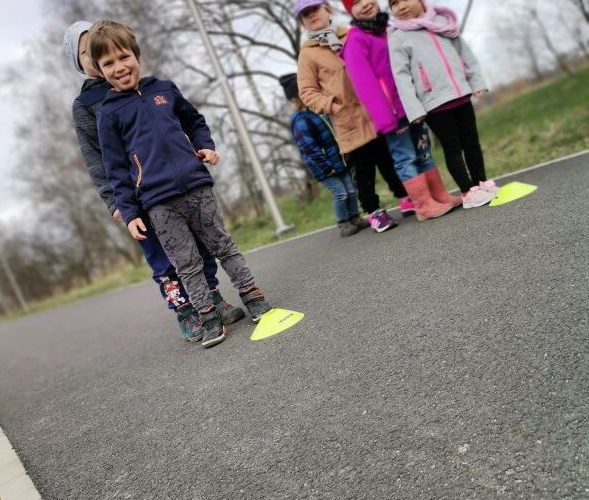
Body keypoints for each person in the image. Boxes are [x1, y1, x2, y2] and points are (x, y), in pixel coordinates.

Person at [88, 20, 272, 348]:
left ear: (137, 54)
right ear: (100, 71)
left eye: (123, 57)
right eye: (109, 63)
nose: (119, 67)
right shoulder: (109, 115)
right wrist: (130, 214)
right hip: (158, 203)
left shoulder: (164, 89)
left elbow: (194, 120)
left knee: (223, 245)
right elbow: (115, 169)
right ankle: (207, 316)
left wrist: (207, 145)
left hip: (197, 186)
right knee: (185, 262)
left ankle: (252, 296)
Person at [294, 0, 415, 233]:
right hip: (347, 119)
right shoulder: (307, 54)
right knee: (363, 171)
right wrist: (331, 105)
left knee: (389, 160)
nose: (311, 16)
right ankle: (374, 212)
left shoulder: (352, 35)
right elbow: (307, 92)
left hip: (375, 112)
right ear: (302, 22)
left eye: (314, 10)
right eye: (305, 15)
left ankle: (405, 197)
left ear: (327, 9)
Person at [340, 0, 459, 221]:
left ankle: (439, 195)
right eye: (355, 3)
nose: (364, 4)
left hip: (412, 105)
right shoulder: (355, 40)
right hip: (392, 114)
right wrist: (385, 118)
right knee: (405, 158)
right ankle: (423, 205)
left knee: (424, 152)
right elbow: (365, 85)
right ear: (350, 10)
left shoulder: (390, 28)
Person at [388, 0, 498, 209]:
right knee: (453, 147)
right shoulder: (397, 36)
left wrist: (476, 82)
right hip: (433, 103)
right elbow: (401, 76)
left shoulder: (442, 22)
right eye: (393, 3)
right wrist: (414, 109)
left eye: (405, 0)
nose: (400, 6)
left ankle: (481, 183)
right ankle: (467, 191)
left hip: (460, 93)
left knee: (472, 143)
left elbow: (464, 53)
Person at [279, 73, 363, 237]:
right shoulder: (301, 119)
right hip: (324, 166)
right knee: (340, 193)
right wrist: (325, 166)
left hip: (338, 159)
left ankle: (355, 217)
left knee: (351, 190)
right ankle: (343, 223)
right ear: (299, 97)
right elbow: (308, 147)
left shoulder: (317, 111)